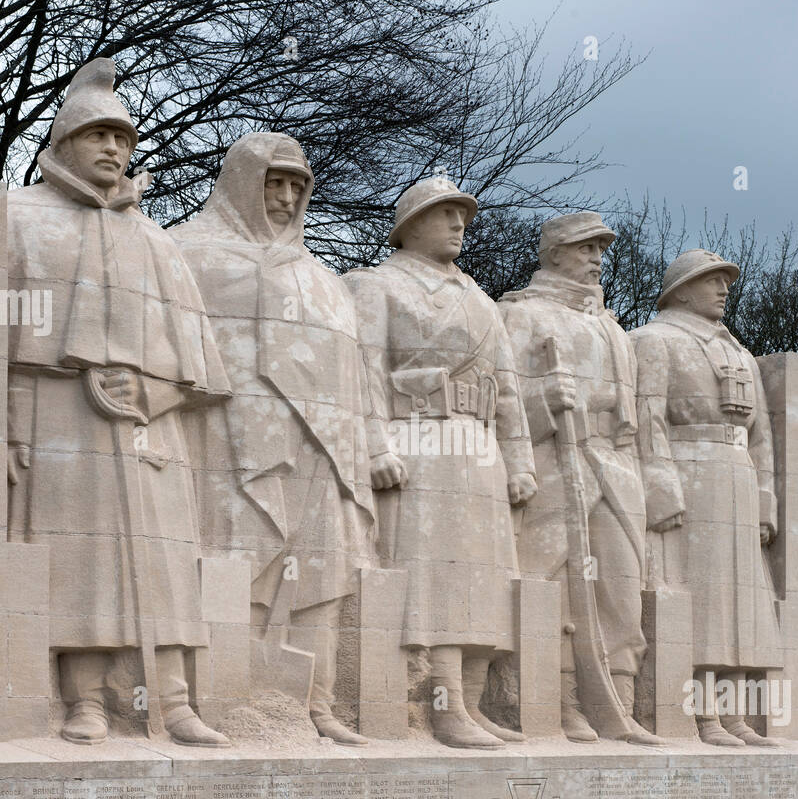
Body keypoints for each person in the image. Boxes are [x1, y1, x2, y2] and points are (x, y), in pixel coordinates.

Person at [7, 58, 229, 746]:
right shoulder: (18, 217)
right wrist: (12, 427)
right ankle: (86, 699)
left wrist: (156, 388)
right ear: (64, 141)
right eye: (98, 134)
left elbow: (202, 368)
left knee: (163, 562)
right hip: (61, 418)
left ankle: (173, 699)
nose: (113, 148)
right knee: (81, 562)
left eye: (123, 138)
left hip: (150, 428)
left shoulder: (157, 241)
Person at [172, 133, 377, 745]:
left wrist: (366, 449)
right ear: (242, 182)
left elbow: (357, 377)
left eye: (297, 185)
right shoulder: (187, 252)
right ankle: (228, 696)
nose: (287, 197)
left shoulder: (325, 281)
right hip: (235, 440)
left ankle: (316, 705)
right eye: (273, 182)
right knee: (240, 560)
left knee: (319, 571)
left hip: (325, 446)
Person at [345, 177, 536, 750]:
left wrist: (520, 460)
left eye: (462, 214)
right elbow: (363, 371)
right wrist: (377, 446)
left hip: (479, 451)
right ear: (410, 225)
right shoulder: (377, 286)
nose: (458, 223)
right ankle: (441, 704)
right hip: (419, 444)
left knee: (485, 583)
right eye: (444, 213)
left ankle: (471, 705)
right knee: (437, 582)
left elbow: (508, 390)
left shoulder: (481, 301)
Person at [501, 213, 662, 745]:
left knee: (619, 589)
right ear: (553, 253)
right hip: (556, 461)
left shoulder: (612, 328)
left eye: (600, 248)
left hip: (615, 467)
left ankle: (619, 704)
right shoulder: (521, 315)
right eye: (585, 247)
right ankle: (563, 702)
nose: (597, 256)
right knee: (556, 590)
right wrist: (543, 402)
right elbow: (500, 402)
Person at [629, 249, 783, 746]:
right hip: (690, 477)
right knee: (704, 602)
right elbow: (647, 418)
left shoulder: (740, 353)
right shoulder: (654, 341)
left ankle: (735, 714)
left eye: (726, 281)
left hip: (737, 479)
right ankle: (703, 716)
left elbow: (761, 439)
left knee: (741, 606)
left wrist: (765, 501)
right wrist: (660, 485)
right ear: (681, 289)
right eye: (711, 280)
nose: (723, 289)